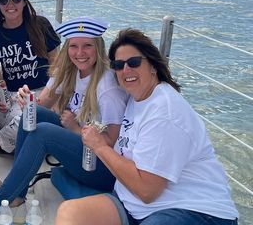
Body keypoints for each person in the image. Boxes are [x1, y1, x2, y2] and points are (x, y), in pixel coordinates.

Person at [55, 28, 239, 225]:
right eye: (118, 65)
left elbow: (147, 191)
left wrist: (99, 146)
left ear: (152, 65)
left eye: (134, 62)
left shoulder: (164, 112)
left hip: (191, 209)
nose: (126, 70)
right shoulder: (136, 99)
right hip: (132, 203)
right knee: (70, 211)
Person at [0, 17, 129, 224]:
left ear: (99, 48)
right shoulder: (71, 72)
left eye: (87, 46)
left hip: (103, 167)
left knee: (42, 132)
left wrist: (76, 129)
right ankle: (17, 193)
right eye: (74, 46)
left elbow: (113, 141)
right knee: (33, 115)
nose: (80, 53)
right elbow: (42, 105)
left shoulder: (107, 88)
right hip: (82, 145)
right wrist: (26, 100)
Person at [0, 0, 61, 158]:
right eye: (4, 0)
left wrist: (52, 96)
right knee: (24, 120)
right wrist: (2, 93)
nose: (10, 4)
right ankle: (11, 135)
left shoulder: (41, 25)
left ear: (24, 2)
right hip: (13, 95)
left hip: (42, 92)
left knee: (29, 118)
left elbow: (56, 61)